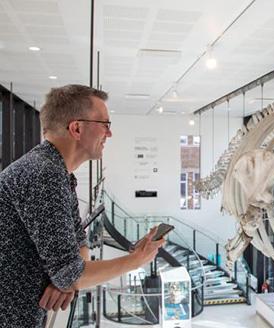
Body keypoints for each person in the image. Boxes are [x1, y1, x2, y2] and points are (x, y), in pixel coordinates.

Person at [0, 85, 164, 327]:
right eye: (105, 125)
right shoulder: (43, 174)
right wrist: (135, 261)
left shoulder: (58, 172)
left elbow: (79, 242)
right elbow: (70, 273)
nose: (109, 134)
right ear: (76, 128)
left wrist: (69, 278)